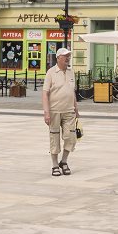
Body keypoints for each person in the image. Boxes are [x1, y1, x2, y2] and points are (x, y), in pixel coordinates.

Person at [42, 47, 78, 177]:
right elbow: (45, 93)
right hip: (54, 111)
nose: (68, 58)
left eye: (69, 56)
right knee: (54, 138)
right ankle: (54, 165)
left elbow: (72, 92)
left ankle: (64, 161)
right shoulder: (51, 72)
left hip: (69, 111)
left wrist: (76, 108)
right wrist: (46, 112)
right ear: (58, 58)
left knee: (71, 137)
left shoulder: (71, 72)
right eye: (65, 56)